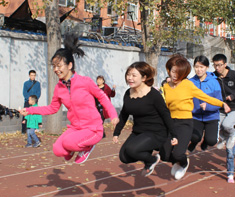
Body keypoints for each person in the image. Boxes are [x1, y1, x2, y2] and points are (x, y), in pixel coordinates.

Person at [21, 35, 118, 164]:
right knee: (57, 149)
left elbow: (102, 97)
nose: (56, 69)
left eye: (59, 66)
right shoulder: (59, 88)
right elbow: (52, 108)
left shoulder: (85, 82)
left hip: (92, 128)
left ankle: (87, 146)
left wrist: (113, 115)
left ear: (70, 65)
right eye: (54, 66)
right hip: (75, 128)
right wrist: (30, 110)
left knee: (68, 142)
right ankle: (73, 147)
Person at [163, 54, 230, 180]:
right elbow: (165, 106)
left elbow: (206, 97)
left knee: (180, 152)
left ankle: (183, 162)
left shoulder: (188, 85)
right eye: (173, 72)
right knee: (164, 155)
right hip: (172, 122)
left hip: (186, 121)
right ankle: (180, 159)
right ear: (169, 71)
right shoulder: (166, 87)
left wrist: (222, 104)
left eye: (179, 73)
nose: (175, 75)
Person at [113, 62, 177, 176]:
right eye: (128, 75)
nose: (130, 78)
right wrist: (116, 132)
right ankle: (146, 152)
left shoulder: (153, 95)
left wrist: (174, 134)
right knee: (124, 157)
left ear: (144, 77)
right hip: (139, 131)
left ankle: (151, 160)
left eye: (134, 75)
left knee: (132, 149)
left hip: (156, 132)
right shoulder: (128, 93)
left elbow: (165, 114)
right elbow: (124, 114)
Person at [188, 56, 224, 152]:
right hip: (196, 116)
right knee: (195, 137)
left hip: (211, 116)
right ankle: (195, 142)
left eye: (202, 67)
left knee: (211, 141)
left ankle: (205, 142)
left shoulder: (214, 82)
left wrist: (208, 106)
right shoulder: (190, 82)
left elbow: (219, 102)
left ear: (207, 67)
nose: (199, 70)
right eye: (196, 67)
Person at [211, 54, 235, 149]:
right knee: (215, 126)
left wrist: (233, 96)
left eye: (219, 65)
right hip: (222, 107)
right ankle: (223, 139)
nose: (217, 68)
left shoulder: (234, 75)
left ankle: (232, 134)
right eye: (215, 65)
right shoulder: (214, 76)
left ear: (225, 64)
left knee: (226, 125)